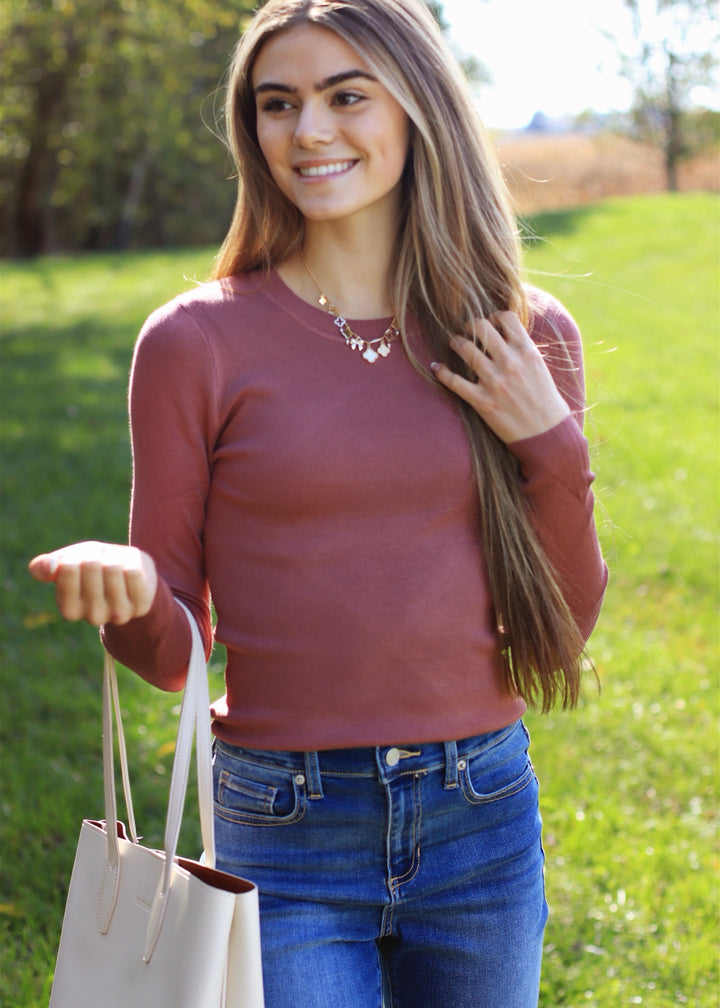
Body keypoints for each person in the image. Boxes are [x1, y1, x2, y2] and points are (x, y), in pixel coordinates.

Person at [30, 1, 608, 1005]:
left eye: (347, 96)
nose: (309, 131)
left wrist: (549, 443)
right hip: (279, 824)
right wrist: (130, 595)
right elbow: (169, 653)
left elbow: (560, 633)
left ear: (418, 106)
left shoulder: (522, 332)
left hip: (482, 815)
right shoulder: (194, 343)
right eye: (277, 103)